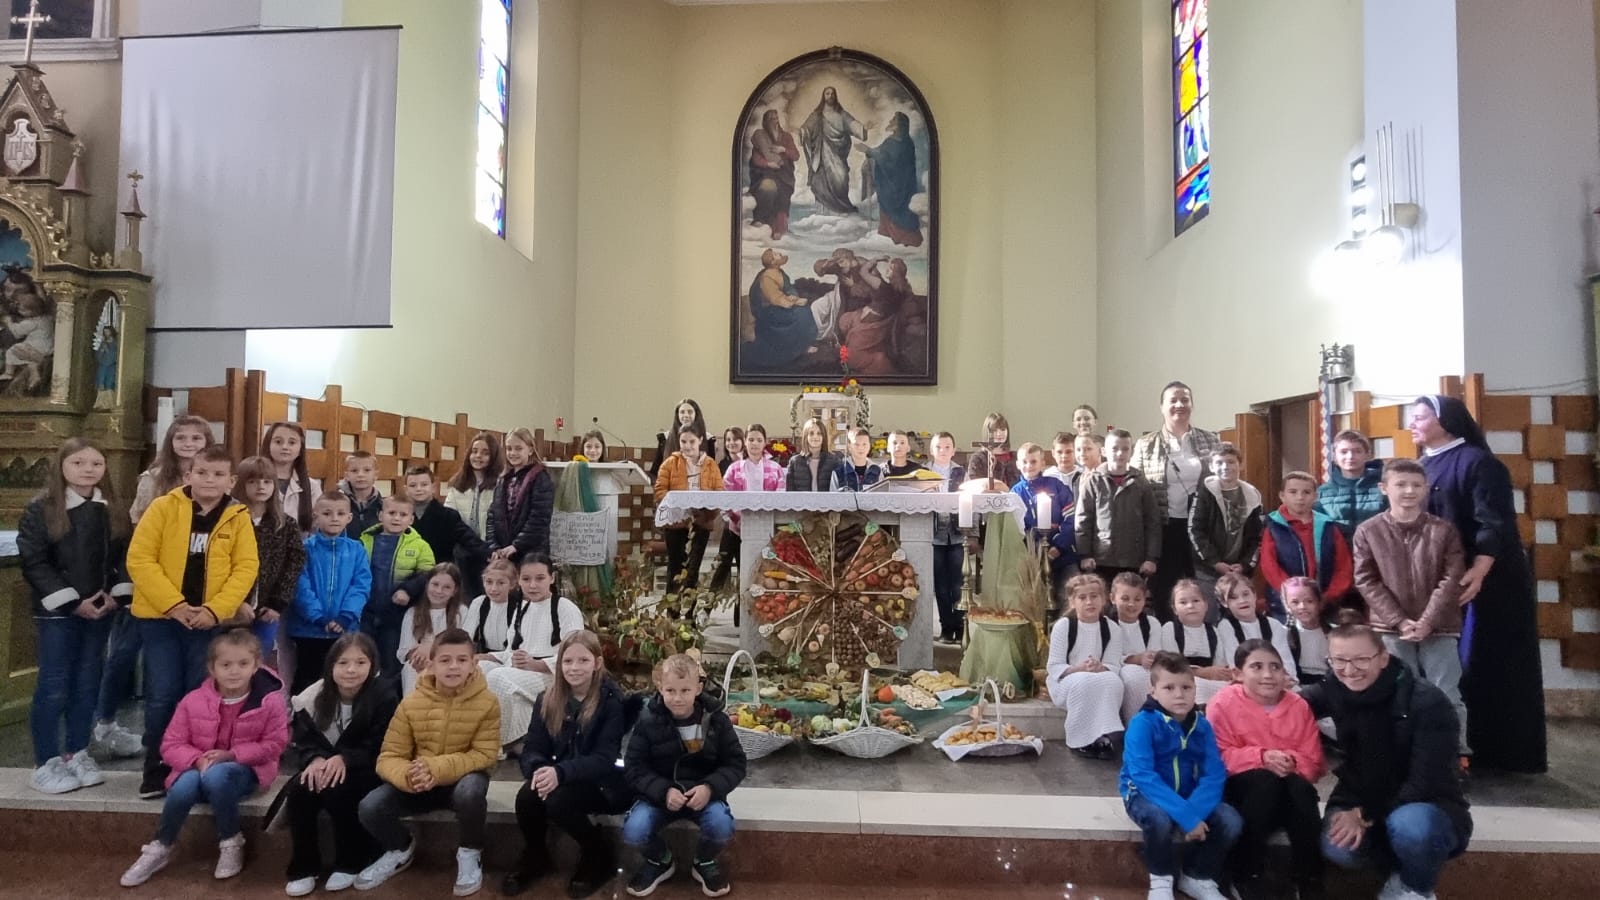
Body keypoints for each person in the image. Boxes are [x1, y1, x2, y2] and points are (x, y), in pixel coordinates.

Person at [1411, 394, 1546, 774]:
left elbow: (1495, 520)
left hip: (1486, 582)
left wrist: (1482, 566)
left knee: (1484, 662)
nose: (1412, 424)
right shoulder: (1421, 466)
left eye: (1420, 417)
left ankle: (1497, 752)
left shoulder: (1478, 462)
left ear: (1445, 420)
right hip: (1444, 579)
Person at [1306, 613, 1472, 900]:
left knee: (1413, 829)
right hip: (1357, 796)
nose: (1350, 670)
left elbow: (1426, 781)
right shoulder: (1335, 688)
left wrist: (1365, 814)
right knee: (1337, 846)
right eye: (1339, 660)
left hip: (1425, 802)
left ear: (1383, 658)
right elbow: (1292, 704)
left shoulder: (1426, 701)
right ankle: (1396, 865)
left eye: (1361, 659)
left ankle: (1413, 887)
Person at [126, 444, 259, 800]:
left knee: (198, 696)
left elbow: (245, 567)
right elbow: (140, 559)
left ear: (231, 481)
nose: (209, 480)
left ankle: (191, 766)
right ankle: (156, 767)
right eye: (201, 473)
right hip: (161, 619)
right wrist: (174, 605)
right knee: (162, 694)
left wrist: (216, 610)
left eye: (218, 474)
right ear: (188, 475)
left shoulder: (237, 515)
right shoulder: (163, 507)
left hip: (207, 622)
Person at [119, 630, 289, 887]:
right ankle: (160, 846)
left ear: (256, 666)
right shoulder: (193, 700)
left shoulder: (269, 702)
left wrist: (232, 755)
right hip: (199, 767)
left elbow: (275, 744)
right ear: (212, 668)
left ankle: (231, 841)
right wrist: (197, 760)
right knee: (182, 787)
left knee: (217, 775)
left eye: (243, 664)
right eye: (226, 665)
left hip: (246, 770)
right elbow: (171, 744)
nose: (234, 671)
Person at [98, 416, 215, 760]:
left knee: (184, 669)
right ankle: (105, 719)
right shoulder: (153, 478)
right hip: (151, 579)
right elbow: (139, 531)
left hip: (193, 586)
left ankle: (182, 738)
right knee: (125, 650)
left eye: (197, 438)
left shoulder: (213, 475)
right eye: (181, 437)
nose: (189, 443)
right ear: (170, 441)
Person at [19, 437, 130, 794]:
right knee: (54, 686)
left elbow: (125, 556)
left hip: (100, 609)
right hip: (58, 613)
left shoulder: (112, 508)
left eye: (96, 463)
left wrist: (115, 594)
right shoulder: (41, 509)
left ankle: (76, 752)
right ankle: (45, 761)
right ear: (62, 467)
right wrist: (72, 602)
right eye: (78, 463)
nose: (88, 470)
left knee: (87, 683)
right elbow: (35, 562)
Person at [356, 627, 499, 896]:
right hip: (419, 783)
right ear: (431, 664)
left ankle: (470, 851)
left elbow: (484, 754)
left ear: (473, 664)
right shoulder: (411, 703)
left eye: (461, 660)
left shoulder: (488, 702)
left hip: (460, 782)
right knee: (370, 806)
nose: (453, 666)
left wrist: (436, 768)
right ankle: (400, 847)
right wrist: (409, 776)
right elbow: (389, 756)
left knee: (471, 791)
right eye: (445, 660)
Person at [1354, 457, 1470, 760]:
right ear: (1384, 488)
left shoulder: (1443, 530)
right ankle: (1403, 755)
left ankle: (1454, 755)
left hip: (1440, 626)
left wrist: (1427, 620)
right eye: (1401, 484)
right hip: (1391, 628)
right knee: (1398, 692)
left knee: (1446, 692)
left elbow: (1452, 577)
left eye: (1416, 485)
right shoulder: (1368, 531)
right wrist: (1400, 621)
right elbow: (1366, 580)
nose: (1409, 491)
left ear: (1426, 488)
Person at [503, 631, 630, 898]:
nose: (574, 668)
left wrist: (560, 773)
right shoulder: (547, 699)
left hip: (603, 783)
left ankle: (597, 852)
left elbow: (605, 758)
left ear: (597, 663)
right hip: (562, 776)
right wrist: (539, 770)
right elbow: (533, 748)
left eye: (583, 660)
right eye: (568, 661)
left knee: (559, 801)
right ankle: (536, 854)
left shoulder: (611, 701)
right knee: (527, 796)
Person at [1206, 640, 1327, 900]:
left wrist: (1292, 761)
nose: (1268, 674)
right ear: (1238, 673)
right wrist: (1261, 756)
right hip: (1241, 794)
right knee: (1264, 782)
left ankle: (1309, 878)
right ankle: (1245, 873)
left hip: (1287, 795)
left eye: (1275, 667)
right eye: (1257, 667)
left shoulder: (1298, 705)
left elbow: (1315, 761)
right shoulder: (1222, 703)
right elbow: (1215, 756)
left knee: (1300, 789)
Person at [282, 632, 398, 897]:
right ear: (331, 665)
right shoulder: (313, 697)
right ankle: (304, 866)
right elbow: (304, 741)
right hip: (325, 764)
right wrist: (314, 759)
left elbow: (382, 744)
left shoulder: (384, 695)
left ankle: (351, 861)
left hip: (368, 767)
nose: (351, 670)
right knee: (301, 791)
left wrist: (346, 758)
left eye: (360, 662)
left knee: (339, 790)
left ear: (372, 665)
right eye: (343, 663)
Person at [1119, 652, 1242, 900]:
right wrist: (1186, 816)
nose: (1179, 694)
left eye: (1186, 687)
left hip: (1186, 793)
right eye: (1169, 688)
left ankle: (1197, 876)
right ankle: (1161, 879)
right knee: (1158, 819)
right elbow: (1143, 776)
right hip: (1143, 794)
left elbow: (1214, 774)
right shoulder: (1142, 724)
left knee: (1230, 819)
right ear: (1153, 692)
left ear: (1195, 689)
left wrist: (1193, 813)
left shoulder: (1202, 725)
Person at [623, 653, 746, 898]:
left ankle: (704, 859)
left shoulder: (716, 720)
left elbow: (736, 763)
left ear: (698, 689)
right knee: (634, 831)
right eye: (670, 690)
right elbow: (634, 766)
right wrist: (663, 790)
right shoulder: (648, 721)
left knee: (721, 825)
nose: (677, 698)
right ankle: (660, 859)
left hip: (703, 795)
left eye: (685, 690)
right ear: (660, 687)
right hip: (659, 797)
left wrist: (709, 788)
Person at [1131, 382, 1223, 619]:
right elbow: (1135, 488)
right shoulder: (1145, 444)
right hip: (1163, 527)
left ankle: (1203, 635)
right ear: (1162, 406)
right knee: (1164, 590)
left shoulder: (1210, 440)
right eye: (1173, 400)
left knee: (1201, 588)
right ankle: (1167, 635)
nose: (1179, 405)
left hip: (1200, 528)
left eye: (1185, 399)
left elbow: (1221, 482)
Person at [484, 554, 585, 749]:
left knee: (497, 677)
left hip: (553, 675)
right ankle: (488, 738)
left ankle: (499, 744)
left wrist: (536, 664)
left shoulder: (565, 607)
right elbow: (511, 650)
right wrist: (485, 657)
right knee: (480, 669)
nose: (532, 585)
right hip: (523, 670)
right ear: (519, 581)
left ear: (551, 578)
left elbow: (576, 654)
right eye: (526, 579)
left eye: (540, 578)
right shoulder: (522, 608)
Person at [288, 491, 372, 694]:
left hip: (344, 628)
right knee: (307, 680)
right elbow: (300, 585)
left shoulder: (357, 550)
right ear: (316, 516)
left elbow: (361, 585)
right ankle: (302, 714)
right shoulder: (304, 548)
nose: (334, 518)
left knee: (340, 681)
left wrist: (346, 616)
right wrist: (317, 616)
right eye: (327, 513)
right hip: (309, 630)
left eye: (340, 514)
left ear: (349, 517)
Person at [232, 455, 307, 672]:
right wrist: (235, 601)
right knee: (230, 660)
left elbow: (294, 563)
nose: (260, 487)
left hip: (267, 608)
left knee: (257, 662)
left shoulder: (285, 524)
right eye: (253, 481)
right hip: (232, 607)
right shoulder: (230, 520)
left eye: (267, 481)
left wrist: (278, 603)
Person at [1046, 574, 1126, 759]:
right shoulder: (1064, 626)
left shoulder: (1112, 629)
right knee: (1084, 681)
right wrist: (1079, 669)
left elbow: (1114, 664)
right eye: (1082, 597)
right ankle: (1081, 740)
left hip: (1099, 675)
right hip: (1067, 680)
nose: (1089, 602)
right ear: (1072, 602)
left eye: (1094, 596)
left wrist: (1100, 667)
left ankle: (1106, 735)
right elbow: (1055, 666)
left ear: (1103, 599)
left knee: (1113, 682)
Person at [1259, 471, 1354, 619]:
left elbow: (1343, 566)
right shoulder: (1273, 526)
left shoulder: (1328, 526)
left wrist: (1329, 596)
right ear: (1282, 496)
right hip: (1285, 604)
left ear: (1316, 496)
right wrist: (1293, 595)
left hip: (1324, 603)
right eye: (1293, 492)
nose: (1300, 497)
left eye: (1306, 492)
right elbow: (1269, 565)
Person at [1187, 442, 1263, 622]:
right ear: (1211, 466)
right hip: (1208, 569)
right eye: (1219, 462)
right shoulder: (1204, 493)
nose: (1225, 467)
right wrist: (1214, 562)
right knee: (1209, 616)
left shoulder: (1252, 495)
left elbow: (1257, 537)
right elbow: (1195, 530)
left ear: (1240, 465)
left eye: (1230, 462)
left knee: (1239, 619)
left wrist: (1244, 565)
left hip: (1239, 571)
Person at [1076, 429, 1161, 585]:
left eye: (1125, 449)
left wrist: (1151, 558)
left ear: (1131, 452)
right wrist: (1085, 554)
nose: (1120, 453)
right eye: (1114, 448)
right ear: (1104, 451)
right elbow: (1083, 520)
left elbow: (1152, 522)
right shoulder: (1094, 481)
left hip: (1134, 559)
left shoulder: (1140, 482)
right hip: (1101, 558)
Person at [653, 425, 724, 593]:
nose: (687, 446)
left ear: (700, 441)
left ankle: (689, 608)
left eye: (692, 441)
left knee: (693, 570)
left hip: (701, 522)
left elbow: (719, 491)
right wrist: (676, 503)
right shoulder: (670, 463)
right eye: (683, 441)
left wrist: (708, 512)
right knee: (675, 569)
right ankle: (672, 608)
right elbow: (660, 490)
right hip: (676, 523)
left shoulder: (710, 464)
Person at [405, 464, 491, 595]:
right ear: (405, 489)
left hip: (439, 578)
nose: (419, 489)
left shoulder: (448, 516)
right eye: (413, 485)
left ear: (433, 487)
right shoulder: (400, 516)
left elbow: (468, 538)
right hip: (406, 577)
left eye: (424, 484)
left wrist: (490, 554)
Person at [1014, 441, 1076, 612]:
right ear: (1018, 464)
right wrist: (1035, 551)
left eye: (1034, 461)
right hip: (1033, 558)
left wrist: (1059, 546)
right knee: (1036, 602)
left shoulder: (1057, 486)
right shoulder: (1015, 494)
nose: (1029, 466)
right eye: (1024, 462)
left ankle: (1067, 627)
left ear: (1043, 463)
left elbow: (1071, 518)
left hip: (1063, 555)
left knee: (1070, 596)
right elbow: (1017, 529)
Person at [397, 563, 469, 696]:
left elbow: (464, 644)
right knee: (410, 668)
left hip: (451, 662)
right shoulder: (412, 613)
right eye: (435, 584)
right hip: (420, 663)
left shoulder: (461, 612)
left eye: (447, 587)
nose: (439, 591)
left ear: (455, 590)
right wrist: (420, 655)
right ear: (427, 585)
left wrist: (432, 648)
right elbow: (404, 651)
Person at [489, 427, 556, 565]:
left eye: (518, 448)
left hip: (531, 553)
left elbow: (539, 519)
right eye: (509, 448)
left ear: (530, 450)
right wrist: (493, 546)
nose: (512, 453)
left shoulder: (540, 477)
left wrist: (516, 545)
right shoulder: (503, 479)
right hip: (504, 553)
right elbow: (492, 515)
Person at [1215, 573, 1298, 683]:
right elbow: (1234, 663)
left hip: (1273, 679)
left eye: (1246, 594)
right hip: (1241, 681)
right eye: (1234, 598)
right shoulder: (1226, 626)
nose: (1242, 600)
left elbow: (1285, 659)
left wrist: (1286, 677)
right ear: (1224, 603)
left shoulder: (1274, 625)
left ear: (1254, 595)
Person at [1160, 580, 1231, 706]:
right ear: (1174, 609)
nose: (1190, 606)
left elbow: (1219, 663)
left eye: (1196, 601)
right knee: (1197, 685)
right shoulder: (1170, 629)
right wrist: (1200, 672)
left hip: (1211, 678)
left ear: (1206, 605)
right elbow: (1171, 663)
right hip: (1179, 678)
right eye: (1183, 602)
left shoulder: (1213, 631)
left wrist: (1217, 673)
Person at [857, 110, 923, 246]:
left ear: (900, 125)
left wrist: (867, 150)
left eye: (893, 120)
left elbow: (888, 159)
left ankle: (906, 238)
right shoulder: (892, 141)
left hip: (900, 186)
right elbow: (880, 153)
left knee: (900, 213)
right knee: (888, 212)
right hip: (891, 183)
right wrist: (870, 155)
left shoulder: (904, 143)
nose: (890, 122)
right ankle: (887, 233)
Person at [799, 85, 865, 215]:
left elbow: (853, 125)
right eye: (827, 93)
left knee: (841, 178)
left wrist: (862, 129)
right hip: (821, 155)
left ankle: (841, 208)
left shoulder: (842, 114)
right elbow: (806, 129)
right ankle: (824, 213)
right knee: (820, 181)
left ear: (835, 96)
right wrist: (802, 132)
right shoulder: (817, 115)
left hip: (838, 156)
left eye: (832, 93)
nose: (830, 96)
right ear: (823, 97)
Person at [927, 431, 966, 644]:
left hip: (957, 534)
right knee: (940, 586)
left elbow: (971, 503)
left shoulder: (960, 472)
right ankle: (946, 627)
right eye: (938, 447)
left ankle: (959, 627)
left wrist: (972, 535)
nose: (942, 451)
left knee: (958, 584)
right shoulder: (923, 473)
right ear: (931, 450)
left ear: (954, 450)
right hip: (934, 535)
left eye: (947, 447)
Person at [1111, 573, 1164, 723]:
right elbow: (1110, 656)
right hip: (1119, 669)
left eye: (1137, 599)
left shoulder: (1151, 623)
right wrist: (1137, 659)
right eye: (1125, 599)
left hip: (1147, 668)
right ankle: (1133, 723)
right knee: (1133, 677)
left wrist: (1150, 658)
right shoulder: (1108, 623)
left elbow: (1155, 651)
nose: (1131, 604)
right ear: (1113, 598)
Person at [1316, 429, 1387, 539]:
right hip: (1337, 549)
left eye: (1357, 451)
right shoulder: (1322, 493)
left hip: (1375, 548)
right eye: (1344, 452)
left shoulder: (1383, 489)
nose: (1350, 456)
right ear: (1334, 456)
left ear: (1368, 454)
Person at [260, 422, 321, 533]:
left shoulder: (312, 486)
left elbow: (317, 527)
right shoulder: (254, 482)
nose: (285, 447)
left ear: (300, 449)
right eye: (278, 442)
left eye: (292, 443)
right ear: (268, 445)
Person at [747, 108, 798, 238]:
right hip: (766, 173)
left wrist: (783, 149)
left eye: (776, 118)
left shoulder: (786, 137)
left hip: (784, 175)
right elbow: (756, 158)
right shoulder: (761, 137)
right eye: (771, 119)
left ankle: (779, 229)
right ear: (765, 121)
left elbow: (795, 155)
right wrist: (768, 164)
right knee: (768, 187)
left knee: (783, 195)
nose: (774, 121)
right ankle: (762, 221)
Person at [445, 431, 504, 541]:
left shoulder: (501, 484)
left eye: (485, 453)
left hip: (490, 544)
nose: (478, 456)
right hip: (461, 543)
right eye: (474, 451)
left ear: (494, 457)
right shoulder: (457, 484)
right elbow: (449, 518)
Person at [467, 557, 523, 668]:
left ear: (512, 584)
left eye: (501, 583)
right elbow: (467, 635)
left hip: (510, 659)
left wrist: (489, 657)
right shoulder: (479, 603)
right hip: (483, 656)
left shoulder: (519, 606)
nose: (493, 588)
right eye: (489, 582)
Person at [1282, 577, 1332, 686]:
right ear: (1287, 605)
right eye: (1295, 602)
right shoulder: (1284, 634)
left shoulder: (1333, 632)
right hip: (1299, 685)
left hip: (1330, 683)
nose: (1302, 607)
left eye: (1309, 601)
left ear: (1319, 602)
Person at [650, 399, 709, 481]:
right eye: (682, 412)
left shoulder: (708, 439)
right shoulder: (665, 438)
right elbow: (655, 472)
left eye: (690, 412)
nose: (686, 415)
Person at [784, 417, 840, 491]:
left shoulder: (834, 461)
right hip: (802, 499)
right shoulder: (794, 462)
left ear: (824, 437)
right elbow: (789, 491)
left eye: (819, 433)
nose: (815, 437)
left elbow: (840, 489)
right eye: (811, 433)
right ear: (806, 436)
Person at [339, 451, 384, 539]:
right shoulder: (337, 502)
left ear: (376, 475)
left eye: (367, 470)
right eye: (354, 470)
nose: (360, 475)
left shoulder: (384, 506)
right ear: (347, 476)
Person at [830, 426, 884, 491]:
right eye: (856, 444)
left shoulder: (877, 470)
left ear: (869, 445)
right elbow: (833, 496)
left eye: (864, 444)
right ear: (849, 446)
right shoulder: (839, 472)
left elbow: (882, 495)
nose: (861, 448)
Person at [980, 412, 1020, 486]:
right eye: (994, 430)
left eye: (1003, 429)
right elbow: (975, 484)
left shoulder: (1017, 457)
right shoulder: (979, 459)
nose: (999, 434)